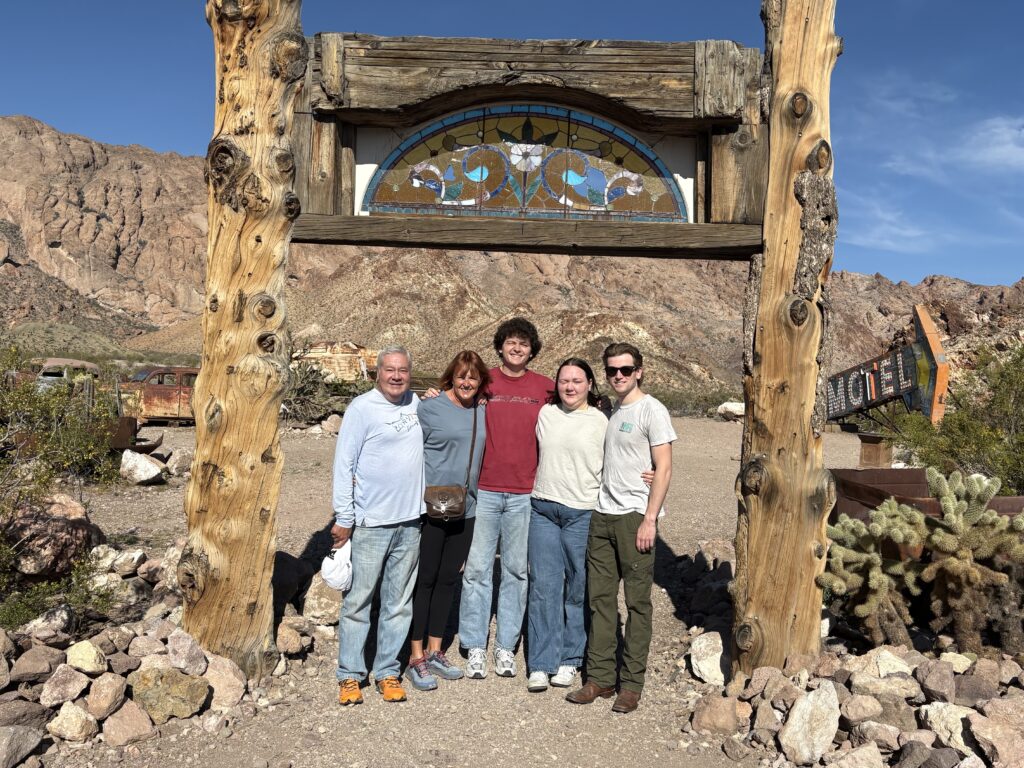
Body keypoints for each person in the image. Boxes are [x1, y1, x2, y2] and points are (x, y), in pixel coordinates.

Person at [566, 342, 676, 714]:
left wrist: (649, 519)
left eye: (625, 370)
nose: (618, 376)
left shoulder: (652, 410)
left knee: (637, 602)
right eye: (612, 370)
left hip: (633, 517)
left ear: (639, 371)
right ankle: (600, 678)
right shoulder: (610, 410)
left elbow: (664, 467)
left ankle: (631, 684)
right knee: (599, 600)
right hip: (602, 513)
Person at [460, 317, 553, 679]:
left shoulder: (546, 388)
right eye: (511, 342)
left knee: (516, 571)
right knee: (478, 570)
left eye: (524, 344)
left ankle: (505, 647)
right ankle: (474, 646)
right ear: (500, 346)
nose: (517, 348)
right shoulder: (485, 382)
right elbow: (455, 397)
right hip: (483, 490)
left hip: (524, 494)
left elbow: (584, 414)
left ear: (532, 350)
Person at [331, 346, 424, 706]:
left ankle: (387, 671)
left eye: (403, 370)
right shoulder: (361, 409)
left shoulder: (418, 404)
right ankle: (350, 675)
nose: (397, 376)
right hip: (371, 524)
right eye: (390, 370)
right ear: (377, 373)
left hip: (410, 523)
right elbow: (344, 465)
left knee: (399, 603)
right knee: (359, 601)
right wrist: (344, 517)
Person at [405, 351, 489, 691]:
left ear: (481, 381)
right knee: (424, 579)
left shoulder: (483, 411)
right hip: (433, 507)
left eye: (473, 377)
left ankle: (436, 650)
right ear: (450, 378)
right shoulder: (428, 407)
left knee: (447, 580)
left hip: (466, 508)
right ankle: (415, 657)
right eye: (461, 376)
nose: (466, 382)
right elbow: (406, 451)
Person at [526, 359, 608, 693]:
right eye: (563, 381)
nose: (569, 387)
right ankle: (541, 664)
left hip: (582, 512)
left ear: (589, 383)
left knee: (577, 588)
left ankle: (570, 660)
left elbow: (622, 460)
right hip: (543, 509)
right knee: (543, 587)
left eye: (576, 380)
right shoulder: (546, 414)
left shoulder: (602, 421)